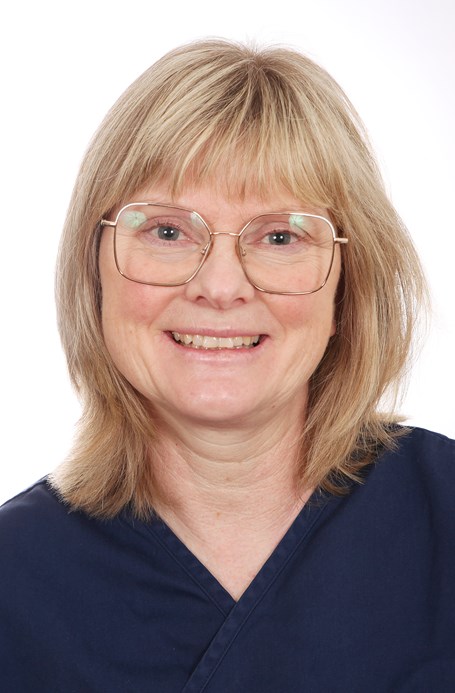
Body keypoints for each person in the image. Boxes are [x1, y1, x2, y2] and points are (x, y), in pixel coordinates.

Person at [1, 39, 454, 692]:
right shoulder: (14, 579)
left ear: (346, 288)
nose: (220, 287)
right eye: (167, 231)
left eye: (280, 236)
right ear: (94, 271)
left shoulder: (444, 517)